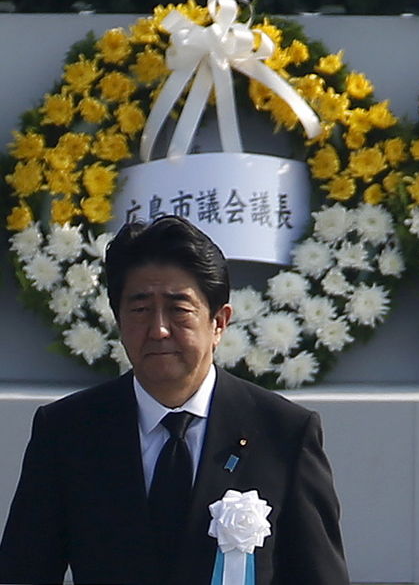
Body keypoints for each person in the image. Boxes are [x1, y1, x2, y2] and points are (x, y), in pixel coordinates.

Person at [0, 215, 350, 585]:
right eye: (140, 309)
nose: (159, 329)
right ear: (119, 321)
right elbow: (24, 570)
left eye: (179, 309)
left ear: (219, 322)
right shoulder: (68, 430)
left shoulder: (284, 433)